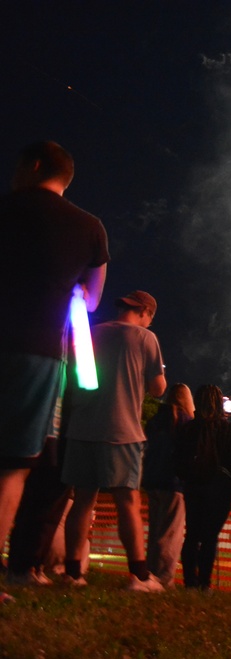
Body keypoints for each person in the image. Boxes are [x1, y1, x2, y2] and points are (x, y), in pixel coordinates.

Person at [0, 141, 108, 598]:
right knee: (13, 466)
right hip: (41, 354)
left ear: (34, 165)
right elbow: (93, 299)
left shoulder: (7, 209)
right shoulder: (90, 228)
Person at [61, 290, 166, 592]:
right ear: (145, 311)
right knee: (128, 503)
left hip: (82, 429)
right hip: (122, 432)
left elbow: (76, 377)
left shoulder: (91, 332)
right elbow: (158, 389)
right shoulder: (146, 339)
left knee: (82, 501)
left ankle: (73, 573)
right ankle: (140, 576)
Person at [175, 385, 231, 590]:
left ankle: (190, 580)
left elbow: (179, 456)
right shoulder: (226, 428)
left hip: (194, 484)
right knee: (210, 536)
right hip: (220, 484)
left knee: (192, 534)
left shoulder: (189, 428)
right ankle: (204, 584)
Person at [141, 383, 195, 587]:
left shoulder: (156, 420)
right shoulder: (186, 423)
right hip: (174, 483)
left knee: (155, 531)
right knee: (171, 533)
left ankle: (151, 573)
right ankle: (164, 578)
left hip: (152, 480)